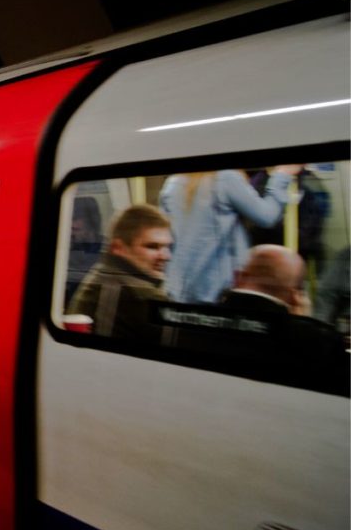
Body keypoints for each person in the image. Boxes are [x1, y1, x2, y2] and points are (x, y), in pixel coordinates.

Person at [159, 166, 300, 304]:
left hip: (177, 289)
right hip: (216, 292)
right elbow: (267, 216)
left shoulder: (173, 182)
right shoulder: (225, 178)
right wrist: (283, 175)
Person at [217, 244, 347, 393]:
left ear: (239, 277)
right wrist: (305, 323)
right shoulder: (320, 342)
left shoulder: (196, 318)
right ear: (295, 296)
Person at [66, 204, 172, 340]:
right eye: (152, 246)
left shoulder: (101, 273)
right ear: (118, 248)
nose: (165, 256)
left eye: (167, 246)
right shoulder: (141, 298)